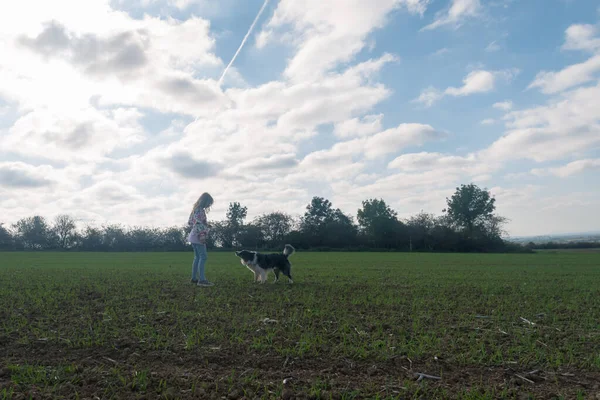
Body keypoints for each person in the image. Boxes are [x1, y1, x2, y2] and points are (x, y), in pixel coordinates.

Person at [187, 192, 214, 287]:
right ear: (205, 201)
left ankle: (194, 278)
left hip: (193, 236)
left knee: (197, 257)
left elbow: (190, 222)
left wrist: (206, 224)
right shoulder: (200, 211)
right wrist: (202, 235)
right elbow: (198, 223)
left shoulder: (195, 210)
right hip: (199, 236)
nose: (209, 205)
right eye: (209, 203)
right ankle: (202, 280)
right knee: (203, 257)